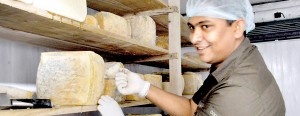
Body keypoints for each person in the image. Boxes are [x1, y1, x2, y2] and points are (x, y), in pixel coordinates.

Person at [98, 0, 286, 115]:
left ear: (237, 28)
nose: (194, 38)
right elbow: (192, 109)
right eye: (192, 27)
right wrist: (144, 87)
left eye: (206, 26)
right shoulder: (229, 63)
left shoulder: (238, 91)